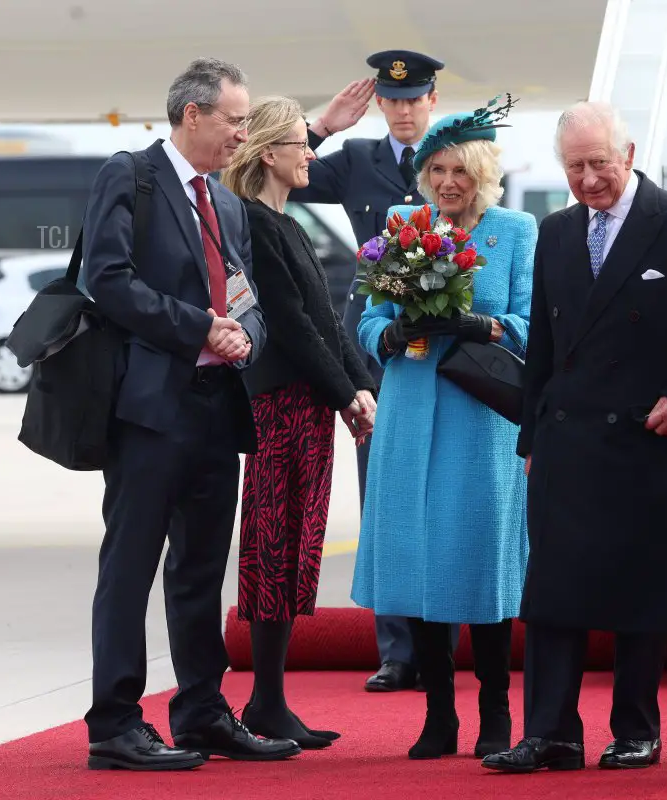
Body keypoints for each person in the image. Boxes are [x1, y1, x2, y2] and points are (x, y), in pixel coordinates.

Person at [483, 101, 667, 774]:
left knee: (641, 592)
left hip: (648, 438)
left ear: (627, 155)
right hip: (565, 441)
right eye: (575, 167)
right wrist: (530, 438)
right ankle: (552, 732)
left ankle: (637, 729)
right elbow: (547, 349)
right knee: (554, 593)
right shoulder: (557, 232)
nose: (589, 179)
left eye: (599, 164)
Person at [81, 58, 299, 770]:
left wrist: (243, 334)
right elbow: (105, 280)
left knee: (202, 569)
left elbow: (247, 297)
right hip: (151, 409)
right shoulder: (132, 176)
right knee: (131, 565)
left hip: (215, 406)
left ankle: (202, 711)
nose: (242, 132)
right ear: (193, 114)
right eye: (235, 120)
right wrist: (195, 326)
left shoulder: (228, 204)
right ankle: (115, 722)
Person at [351, 101, 535, 760]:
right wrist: (391, 333)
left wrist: (480, 326)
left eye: (458, 169)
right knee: (421, 557)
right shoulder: (405, 223)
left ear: (481, 172)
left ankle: (494, 710)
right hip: (410, 409)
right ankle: (438, 713)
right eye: (436, 168)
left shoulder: (515, 230)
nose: (447, 181)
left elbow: (530, 322)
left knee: (478, 556)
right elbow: (369, 319)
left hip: (478, 415)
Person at [290, 49, 455, 693]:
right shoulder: (359, 161)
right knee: (383, 492)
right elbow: (278, 174)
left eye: (416, 98)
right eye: (394, 100)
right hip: (376, 345)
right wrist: (324, 127)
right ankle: (397, 650)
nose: (406, 109)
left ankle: (442, 638)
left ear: (432, 101)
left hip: (448, 344)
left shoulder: (458, 154)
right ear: (379, 105)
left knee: (444, 493)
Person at [220, 96, 379, 750]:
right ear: (269, 155)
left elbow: (323, 320)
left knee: (294, 550)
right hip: (279, 404)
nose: (311, 152)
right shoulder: (256, 224)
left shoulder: (288, 222)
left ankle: (269, 700)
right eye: (299, 143)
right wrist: (347, 394)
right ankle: (265, 700)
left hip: (308, 404)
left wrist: (360, 388)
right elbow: (288, 324)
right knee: (272, 549)